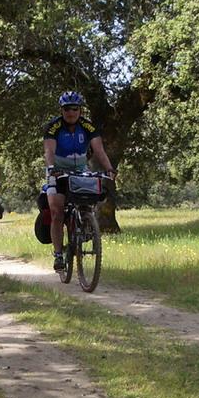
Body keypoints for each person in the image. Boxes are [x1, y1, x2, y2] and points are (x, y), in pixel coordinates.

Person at [42, 90, 116, 272]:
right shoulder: (54, 127)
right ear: (61, 110)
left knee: (88, 201)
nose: (71, 112)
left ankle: (84, 225)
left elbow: (99, 150)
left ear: (80, 110)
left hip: (81, 170)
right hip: (58, 171)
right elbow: (49, 151)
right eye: (67, 109)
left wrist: (109, 169)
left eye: (75, 108)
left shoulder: (87, 126)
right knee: (57, 212)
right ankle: (58, 254)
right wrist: (51, 168)